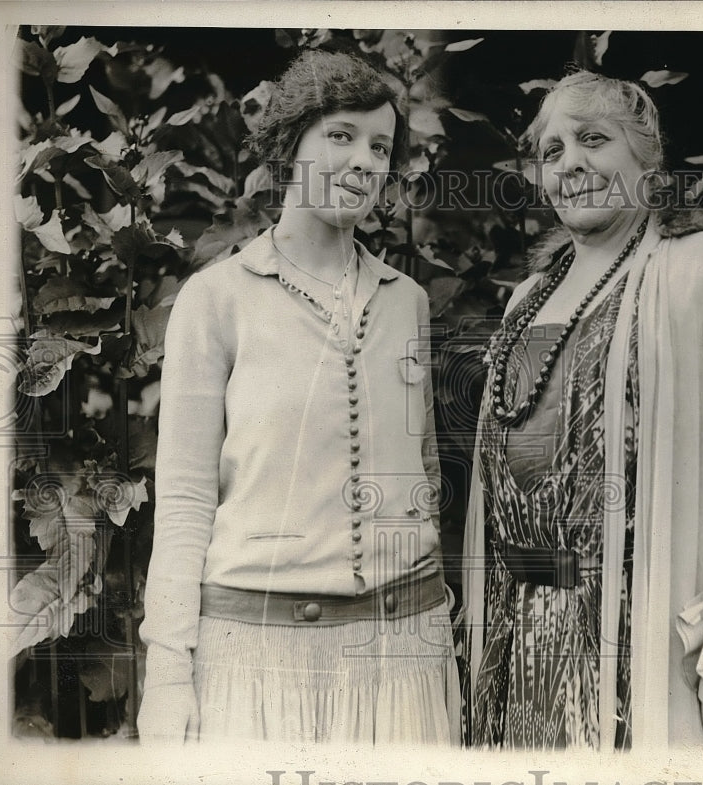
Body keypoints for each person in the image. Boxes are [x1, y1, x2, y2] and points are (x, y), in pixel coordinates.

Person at [461, 70, 703, 750]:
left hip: (649, 635)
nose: (571, 162)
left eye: (593, 140)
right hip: (524, 643)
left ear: (647, 156)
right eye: (552, 150)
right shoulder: (524, 304)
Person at [138, 50, 459, 744]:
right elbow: (187, 498)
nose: (365, 161)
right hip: (257, 661)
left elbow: (422, 470)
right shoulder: (215, 299)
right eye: (340, 136)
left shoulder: (406, 302)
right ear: (290, 144)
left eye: (380, 146)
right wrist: (167, 670)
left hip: (400, 655)